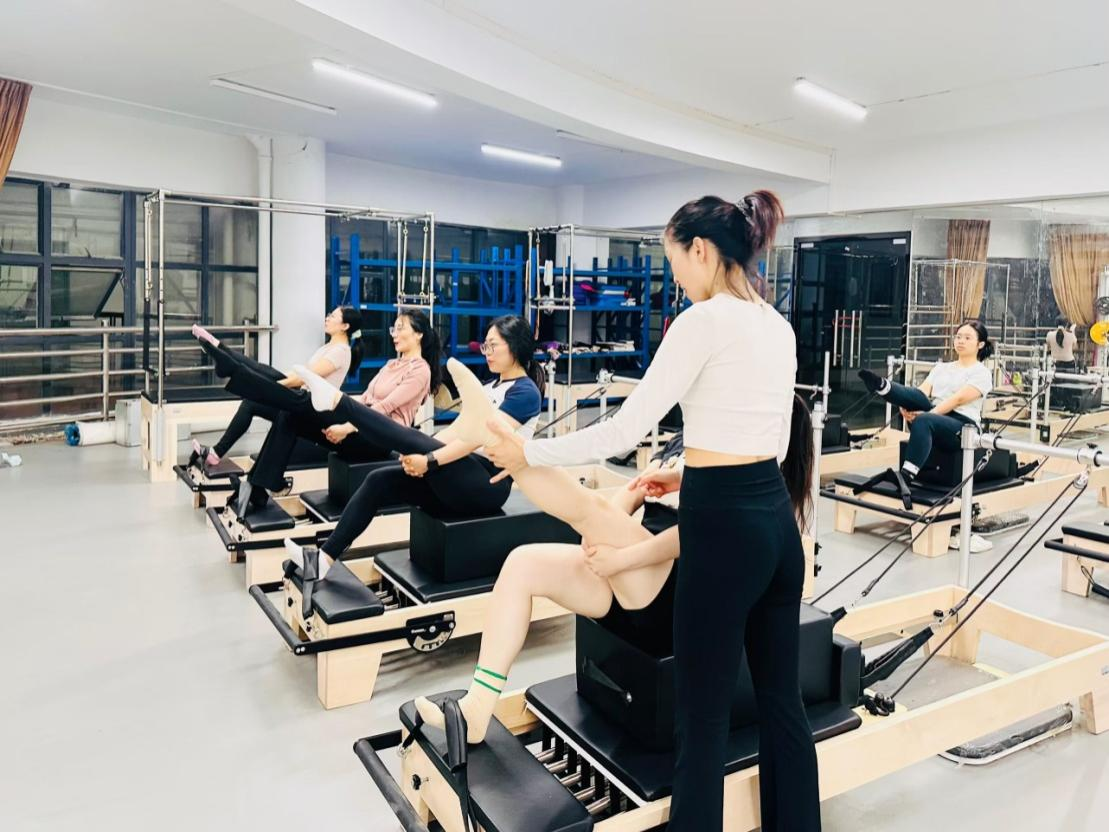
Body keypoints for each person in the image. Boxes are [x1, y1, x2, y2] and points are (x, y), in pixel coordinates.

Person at [470, 192, 819, 832]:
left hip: (723, 532)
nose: (676, 279)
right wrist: (687, 474)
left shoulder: (702, 321)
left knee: (703, 721)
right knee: (782, 706)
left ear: (701, 250)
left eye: (675, 261)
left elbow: (623, 430)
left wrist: (528, 450)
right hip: (774, 524)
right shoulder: (777, 324)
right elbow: (767, 446)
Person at [285, 314, 544, 574]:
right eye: (485, 346)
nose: (486, 352)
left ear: (515, 345)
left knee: (408, 438)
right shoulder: (490, 387)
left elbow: (478, 438)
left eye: (493, 346)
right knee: (378, 480)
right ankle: (322, 560)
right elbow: (458, 431)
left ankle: (338, 402)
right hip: (461, 472)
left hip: (488, 483)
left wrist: (430, 460)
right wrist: (421, 451)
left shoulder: (525, 392)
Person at [201, 309, 439, 516]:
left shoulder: (421, 371)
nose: (394, 334)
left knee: (305, 401)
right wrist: (349, 416)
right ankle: (259, 487)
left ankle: (238, 374)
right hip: (363, 425)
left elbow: (384, 409)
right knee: (291, 414)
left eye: (400, 328)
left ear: (418, 334)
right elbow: (366, 399)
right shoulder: (390, 365)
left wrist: (347, 426)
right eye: (393, 329)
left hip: (380, 438)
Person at [857, 319, 995, 551]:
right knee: (915, 398)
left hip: (962, 426)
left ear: (980, 344)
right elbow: (921, 393)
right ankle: (883, 387)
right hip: (935, 417)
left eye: (967, 338)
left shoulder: (981, 373)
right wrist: (906, 407)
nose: (960, 341)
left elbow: (958, 399)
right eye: (958, 336)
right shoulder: (942, 368)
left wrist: (927, 414)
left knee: (925, 418)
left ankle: (906, 476)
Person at [188, 306, 359, 470]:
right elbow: (300, 374)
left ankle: (221, 351)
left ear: (345, 326)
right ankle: (219, 348)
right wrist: (273, 380)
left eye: (333, 316)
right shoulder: (328, 348)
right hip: (302, 398)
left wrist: (273, 386)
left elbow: (305, 378)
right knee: (261, 379)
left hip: (311, 408)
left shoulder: (341, 351)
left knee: (264, 380)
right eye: (329, 315)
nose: (327, 318)